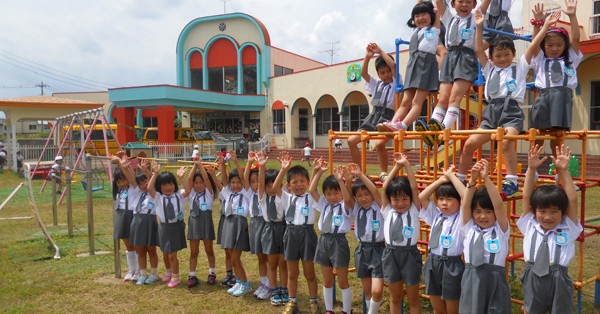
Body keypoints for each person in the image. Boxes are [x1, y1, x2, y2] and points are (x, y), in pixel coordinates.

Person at [456, 9, 527, 198]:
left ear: (512, 54)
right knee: (470, 143)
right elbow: (479, 50)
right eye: (498, 55)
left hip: (510, 111)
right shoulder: (489, 69)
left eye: (506, 54)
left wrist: (540, 27)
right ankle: (460, 177)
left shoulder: (519, 68)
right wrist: (479, 26)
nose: (502, 59)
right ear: (492, 57)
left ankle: (511, 180)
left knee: (505, 142)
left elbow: (534, 47)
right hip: (491, 112)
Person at [518, 144, 582, 314]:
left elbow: (572, 200)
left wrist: (563, 171)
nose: (548, 217)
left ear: (563, 212)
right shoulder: (529, 224)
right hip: (532, 274)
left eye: (554, 212)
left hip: (559, 277)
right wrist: (531, 169)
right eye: (542, 211)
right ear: (534, 211)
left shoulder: (568, 227)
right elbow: (526, 196)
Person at [416, 0, 482, 146]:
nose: (464, 5)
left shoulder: (476, 17)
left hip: (466, 57)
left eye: (468, 2)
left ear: (474, 4)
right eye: (460, 1)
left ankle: (443, 129)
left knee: (454, 97)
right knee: (442, 98)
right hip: (450, 57)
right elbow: (439, 2)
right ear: (452, 4)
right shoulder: (449, 17)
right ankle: (432, 130)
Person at [524, 0, 581, 156]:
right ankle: (532, 170)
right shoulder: (541, 59)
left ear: (565, 46)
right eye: (550, 45)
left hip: (562, 98)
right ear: (544, 47)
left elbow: (575, 39)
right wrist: (538, 23)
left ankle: (559, 171)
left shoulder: (570, 58)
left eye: (559, 45)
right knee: (537, 135)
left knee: (557, 137)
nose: (554, 48)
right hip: (544, 97)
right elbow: (535, 43)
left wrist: (572, 16)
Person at [378, 0, 444, 134]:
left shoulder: (434, 29)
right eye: (417, 16)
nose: (420, 18)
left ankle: (403, 125)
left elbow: (437, 10)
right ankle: (392, 124)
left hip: (425, 66)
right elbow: (417, 6)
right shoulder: (416, 30)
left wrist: (436, 8)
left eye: (424, 14)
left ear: (432, 15)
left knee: (416, 101)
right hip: (413, 65)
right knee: (405, 101)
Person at [459, 159, 511, 314]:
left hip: (495, 279)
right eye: (478, 211)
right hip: (471, 277)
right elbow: (465, 205)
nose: (483, 216)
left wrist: (486, 178)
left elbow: (499, 205)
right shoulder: (469, 228)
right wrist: (473, 180)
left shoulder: (501, 230)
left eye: (488, 212)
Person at [271, 152, 320, 314]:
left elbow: (314, 185)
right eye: (294, 182)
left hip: (307, 234)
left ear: (307, 182)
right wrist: (284, 169)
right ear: (289, 185)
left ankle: (314, 301)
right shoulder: (287, 198)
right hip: (291, 234)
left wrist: (317, 171)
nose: (299, 185)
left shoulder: (311, 197)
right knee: (292, 272)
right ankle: (292, 302)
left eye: (302, 181)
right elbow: (274, 187)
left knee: (309, 272)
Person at [348, 42, 401, 181]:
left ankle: (383, 173)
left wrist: (380, 51)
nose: (386, 74)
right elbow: (363, 73)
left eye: (388, 71)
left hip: (389, 116)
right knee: (351, 140)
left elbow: (394, 66)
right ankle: (359, 172)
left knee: (378, 144)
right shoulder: (377, 83)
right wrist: (367, 57)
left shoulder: (396, 81)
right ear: (378, 74)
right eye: (382, 73)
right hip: (374, 115)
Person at [419, 166, 466, 314]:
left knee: (452, 309)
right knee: (437, 308)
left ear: (459, 202)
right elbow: (422, 197)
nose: (444, 203)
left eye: (449, 199)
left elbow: (466, 196)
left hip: (452, 264)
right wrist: (440, 180)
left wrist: (452, 177)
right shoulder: (436, 214)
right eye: (441, 199)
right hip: (433, 261)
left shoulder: (462, 217)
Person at [379, 153, 422, 314]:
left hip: (410, 255)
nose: (400, 203)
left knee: (413, 299)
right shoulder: (387, 210)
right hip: (390, 254)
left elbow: (413, 187)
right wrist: (397, 167)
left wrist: (406, 165)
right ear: (390, 200)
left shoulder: (414, 209)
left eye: (405, 199)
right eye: (396, 200)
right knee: (395, 297)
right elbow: (385, 187)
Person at [310, 161, 353, 314]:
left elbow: (347, 199)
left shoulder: (344, 206)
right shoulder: (324, 205)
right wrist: (319, 171)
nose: (332, 197)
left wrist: (341, 181)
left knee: (342, 281)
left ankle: (347, 310)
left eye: (336, 193)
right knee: (327, 280)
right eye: (328, 194)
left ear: (341, 193)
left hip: (338, 242)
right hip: (324, 241)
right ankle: (329, 309)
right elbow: (312, 190)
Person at [346, 163, 385, 314]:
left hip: (378, 249)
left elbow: (375, 190)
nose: (363, 198)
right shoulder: (357, 208)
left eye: (366, 194)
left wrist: (361, 175)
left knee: (377, 291)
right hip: (362, 250)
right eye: (359, 196)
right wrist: (348, 180)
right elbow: (348, 196)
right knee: (367, 290)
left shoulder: (379, 206)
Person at [212, 152, 253, 297]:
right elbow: (221, 181)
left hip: (239, 224)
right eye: (233, 182)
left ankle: (245, 283)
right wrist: (219, 166)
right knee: (230, 254)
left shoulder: (247, 193)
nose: (236, 185)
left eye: (238, 182)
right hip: (228, 223)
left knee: (235, 258)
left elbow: (243, 177)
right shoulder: (228, 193)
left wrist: (236, 161)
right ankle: (240, 282)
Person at [116, 155, 160, 285]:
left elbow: (153, 183)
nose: (143, 185)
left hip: (150, 221)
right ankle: (142, 273)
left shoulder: (154, 193)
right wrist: (125, 168)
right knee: (140, 250)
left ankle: (153, 273)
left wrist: (149, 172)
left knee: (151, 250)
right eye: (140, 183)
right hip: (137, 221)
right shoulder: (136, 192)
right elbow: (132, 180)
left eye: (145, 181)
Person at [148, 162, 188, 288]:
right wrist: (155, 173)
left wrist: (182, 177)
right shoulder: (158, 197)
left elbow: (188, 190)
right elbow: (150, 188)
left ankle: (176, 277)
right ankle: (168, 271)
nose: (168, 187)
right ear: (159, 187)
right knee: (165, 252)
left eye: (170, 184)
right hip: (164, 227)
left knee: (172, 254)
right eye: (164, 185)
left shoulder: (178, 195)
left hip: (176, 226)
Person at [256, 151, 289, 306]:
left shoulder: (282, 196)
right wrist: (262, 167)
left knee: (283, 263)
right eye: (268, 185)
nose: (270, 188)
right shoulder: (262, 198)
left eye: (273, 185)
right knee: (272, 263)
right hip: (269, 230)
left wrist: (283, 169)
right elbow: (261, 184)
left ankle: (284, 289)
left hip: (283, 229)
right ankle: (273, 289)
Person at [183, 157, 218, 287]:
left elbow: (207, 179)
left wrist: (201, 166)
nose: (198, 185)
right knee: (194, 251)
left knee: (209, 250)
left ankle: (212, 273)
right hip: (194, 224)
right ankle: (192, 275)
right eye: (196, 183)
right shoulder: (191, 193)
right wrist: (195, 165)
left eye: (201, 182)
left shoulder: (209, 193)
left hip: (206, 223)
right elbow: (190, 179)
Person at [244, 152, 271, 300]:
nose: (255, 184)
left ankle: (270, 285)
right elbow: (245, 178)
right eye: (252, 182)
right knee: (260, 257)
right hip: (254, 225)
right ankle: (263, 282)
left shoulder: (264, 193)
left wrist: (262, 165)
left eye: (257, 182)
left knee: (268, 256)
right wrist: (249, 162)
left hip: (265, 224)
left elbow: (263, 179)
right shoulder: (249, 194)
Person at [110, 157, 139, 282]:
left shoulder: (134, 188)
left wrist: (122, 165)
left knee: (136, 244)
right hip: (121, 216)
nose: (122, 184)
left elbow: (131, 177)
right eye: (119, 182)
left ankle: (138, 270)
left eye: (124, 180)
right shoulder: (118, 192)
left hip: (132, 215)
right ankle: (131, 270)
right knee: (128, 246)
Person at [213, 151, 236, 288]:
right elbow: (220, 180)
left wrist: (222, 165)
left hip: (232, 220)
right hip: (224, 220)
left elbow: (225, 178)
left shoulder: (230, 189)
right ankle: (229, 274)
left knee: (233, 251)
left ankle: (236, 276)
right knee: (227, 250)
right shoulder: (222, 190)